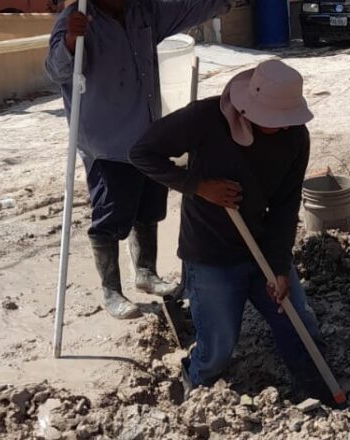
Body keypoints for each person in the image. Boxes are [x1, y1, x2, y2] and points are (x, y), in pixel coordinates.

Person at [129, 59, 332, 401]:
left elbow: (285, 206)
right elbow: (142, 153)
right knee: (218, 347)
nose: (280, 127)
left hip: (262, 246)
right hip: (210, 251)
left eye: (285, 120)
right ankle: (197, 388)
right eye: (273, 120)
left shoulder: (296, 137)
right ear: (249, 107)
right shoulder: (205, 119)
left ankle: (317, 395)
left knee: (299, 325)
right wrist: (198, 186)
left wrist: (280, 267)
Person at [44, 0, 233, 320]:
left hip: (147, 133)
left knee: (149, 206)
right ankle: (111, 290)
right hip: (107, 141)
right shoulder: (77, 17)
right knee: (111, 215)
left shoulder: (143, 11)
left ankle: (146, 272)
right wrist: (70, 42)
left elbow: (188, 10)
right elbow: (55, 70)